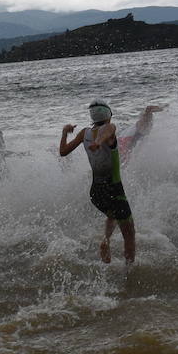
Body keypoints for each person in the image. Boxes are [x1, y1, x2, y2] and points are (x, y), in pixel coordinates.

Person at [58, 99, 135, 265]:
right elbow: (107, 130)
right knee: (129, 233)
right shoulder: (110, 129)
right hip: (114, 189)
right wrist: (98, 142)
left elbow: (63, 152)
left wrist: (65, 132)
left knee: (112, 215)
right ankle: (129, 272)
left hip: (96, 192)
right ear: (108, 115)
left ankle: (105, 240)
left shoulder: (84, 133)